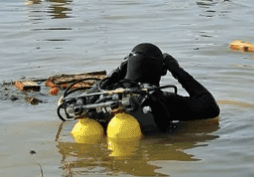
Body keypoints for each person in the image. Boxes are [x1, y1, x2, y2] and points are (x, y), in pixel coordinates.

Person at [89, 43, 220, 133]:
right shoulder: (163, 99)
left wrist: (116, 73)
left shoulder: (105, 94)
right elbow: (210, 108)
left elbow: (80, 101)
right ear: (162, 71)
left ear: (127, 66)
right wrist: (177, 70)